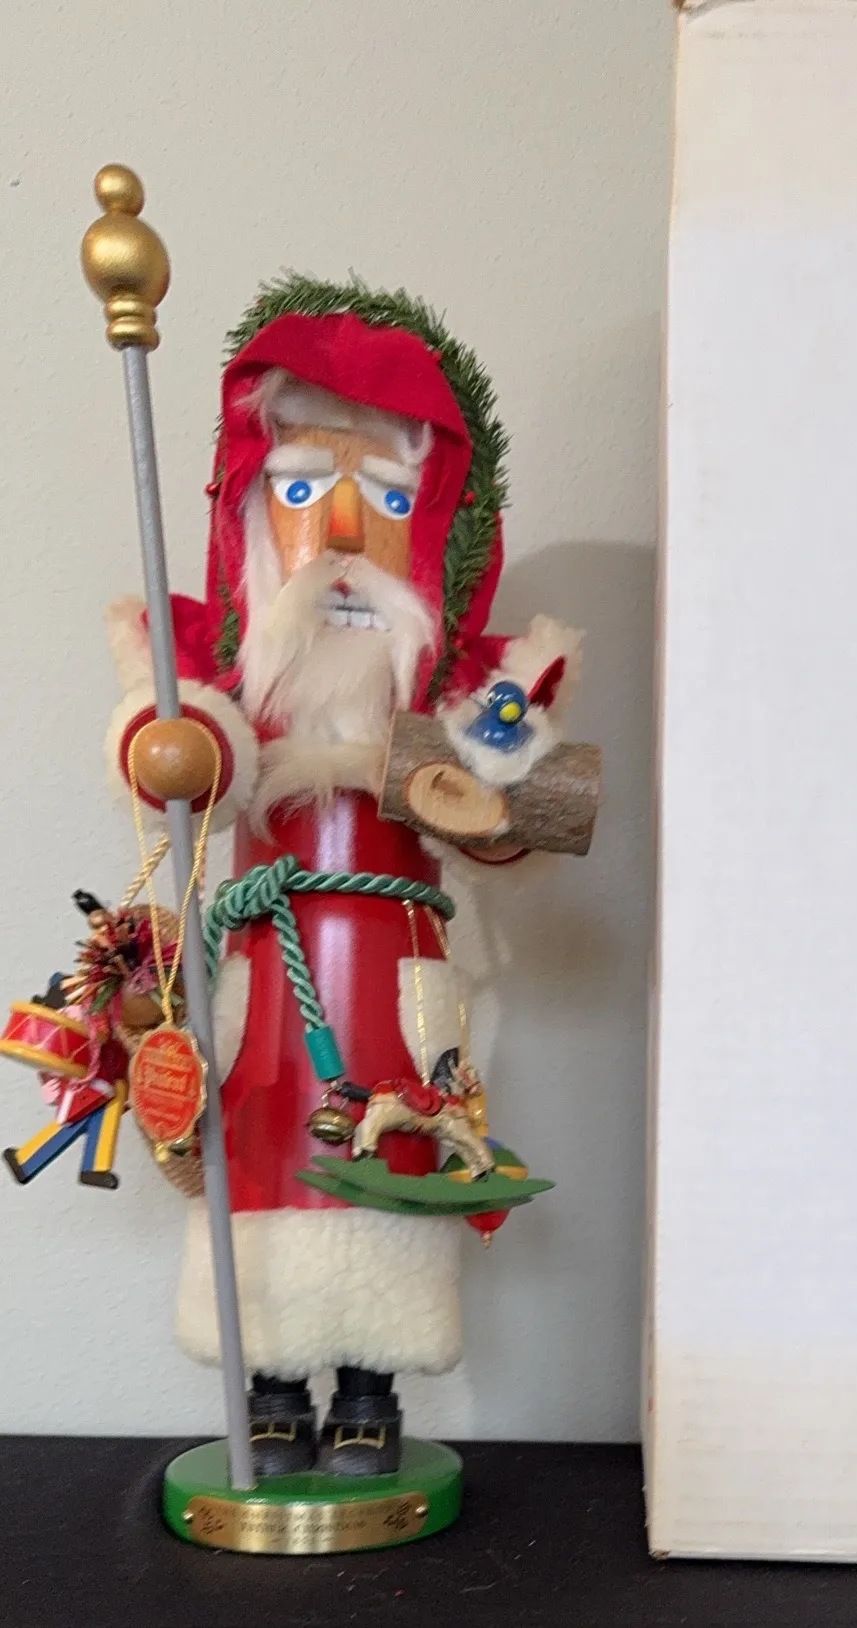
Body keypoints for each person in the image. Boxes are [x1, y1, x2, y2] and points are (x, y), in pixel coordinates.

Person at [104, 279, 580, 1476]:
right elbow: (186, 755)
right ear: (255, 511)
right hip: (264, 967)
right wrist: (170, 738)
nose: (348, 537)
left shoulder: (455, 685)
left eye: (389, 499)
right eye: (305, 491)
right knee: (263, 1131)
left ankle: (370, 1386)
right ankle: (270, 1384)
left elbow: (515, 811)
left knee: (394, 1137)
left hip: (396, 970)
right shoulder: (227, 665)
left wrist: (495, 781)